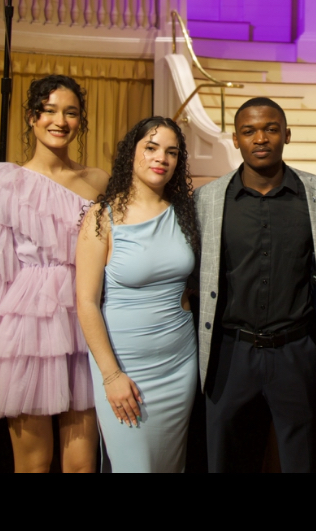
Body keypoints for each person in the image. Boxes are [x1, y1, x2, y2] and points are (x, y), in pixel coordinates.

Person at [0, 75, 108, 472]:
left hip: (84, 322)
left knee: (82, 465)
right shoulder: (5, 183)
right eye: (49, 110)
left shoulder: (98, 181)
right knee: (33, 464)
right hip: (26, 330)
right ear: (32, 118)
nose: (60, 121)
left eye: (70, 113)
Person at [197, 97, 316, 473]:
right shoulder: (208, 199)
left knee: (302, 462)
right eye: (249, 131)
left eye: (270, 129)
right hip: (229, 354)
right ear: (235, 139)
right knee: (225, 461)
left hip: (295, 353)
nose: (260, 138)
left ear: (286, 135)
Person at [76, 117, 198, 472]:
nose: (161, 158)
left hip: (179, 364)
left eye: (172, 152)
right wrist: (111, 376)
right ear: (132, 152)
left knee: (169, 466)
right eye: (151, 147)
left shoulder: (184, 213)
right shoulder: (102, 217)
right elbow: (85, 302)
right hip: (124, 368)